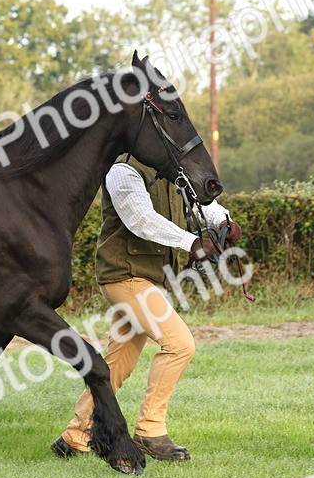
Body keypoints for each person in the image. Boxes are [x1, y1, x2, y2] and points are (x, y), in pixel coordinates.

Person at [51, 155, 241, 462]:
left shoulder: (174, 170)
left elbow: (203, 203)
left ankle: (76, 435)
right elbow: (140, 218)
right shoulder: (122, 170)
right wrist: (192, 243)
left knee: (117, 363)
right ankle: (150, 431)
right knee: (179, 345)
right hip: (126, 276)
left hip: (149, 281)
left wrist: (222, 221)